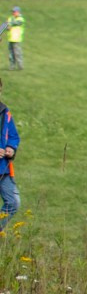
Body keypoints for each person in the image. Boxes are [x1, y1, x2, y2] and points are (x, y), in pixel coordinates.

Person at [0, 77, 18, 221]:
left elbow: (13, 136)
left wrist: (11, 147)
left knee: (13, 203)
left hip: (3, 168)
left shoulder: (5, 112)